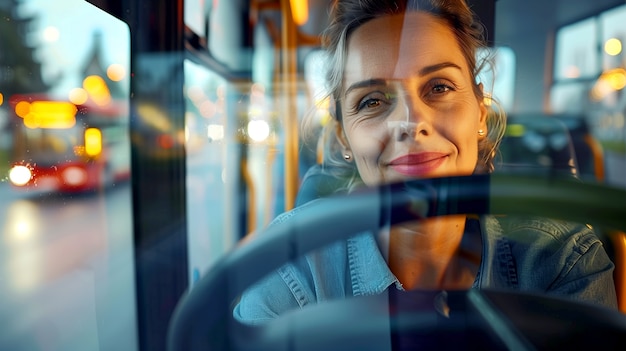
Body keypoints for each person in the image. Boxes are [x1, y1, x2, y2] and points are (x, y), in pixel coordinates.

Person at [234, 0, 617, 324]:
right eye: (372, 101)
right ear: (342, 136)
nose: (412, 122)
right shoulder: (286, 267)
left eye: (439, 87)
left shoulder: (561, 261)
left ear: (480, 113)